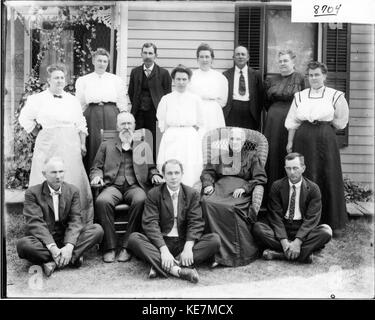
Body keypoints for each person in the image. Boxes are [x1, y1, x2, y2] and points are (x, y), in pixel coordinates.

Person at [19, 64, 94, 225]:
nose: (59, 81)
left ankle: (74, 221)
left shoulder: (72, 100)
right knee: (45, 175)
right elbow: (24, 118)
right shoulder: (38, 99)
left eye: (62, 77)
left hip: (70, 142)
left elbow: (81, 123)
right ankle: (44, 220)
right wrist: (37, 133)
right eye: (56, 78)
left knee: (72, 177)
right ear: (49, 80)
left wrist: (82, 144)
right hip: (48, 142)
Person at [128, 159, 221, 283]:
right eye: (169, 173)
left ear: (182, 174)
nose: (173, 177)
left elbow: (196, 221)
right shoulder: (153, 194)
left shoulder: (192, 194)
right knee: (134, 239)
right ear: (164, 175)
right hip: (162, 241)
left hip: (183, 241)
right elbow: (151, 223)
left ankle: (160, 265)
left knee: (214, 240)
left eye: (177, 173)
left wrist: (188, 247)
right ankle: (179, 270)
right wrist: (164, 250)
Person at [285, 61, 349, 237]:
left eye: (317, 75)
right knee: (306, 176)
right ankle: (304, 222)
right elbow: (293, 122)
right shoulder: (300, 96)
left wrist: (325, 129)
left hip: (325, 137)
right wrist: (290, 143)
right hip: (304, 137)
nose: (313, 78)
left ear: (324, 76)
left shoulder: (334, 95)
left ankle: (331, 222)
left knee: (327, 175)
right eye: (311, 75)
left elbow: (341, 120)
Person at [90, 111, 164, 263]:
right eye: (123, 124)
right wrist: (97, 176)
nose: (126, 127)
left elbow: (151, 168)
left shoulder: (142, 146)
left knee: (141, 199)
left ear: (134, 126)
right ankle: (109, 247)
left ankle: (127, 246)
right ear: (117, 126)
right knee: (102, 201)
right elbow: (96, 167)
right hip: (113, 186)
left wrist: (155, 175)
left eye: (129, 124)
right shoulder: (106, 145)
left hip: (134, 186)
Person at [16, 157, 104, 277]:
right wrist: (52, 247)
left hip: (65, 236)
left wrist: (69, 246)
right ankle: (73, 258)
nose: (58, 176)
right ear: (44, 174)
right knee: (23, 245)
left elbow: (75, 221)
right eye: (53, 172)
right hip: (44, 240)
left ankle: (54, 262)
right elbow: (36, 224)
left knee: (97, 230)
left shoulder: (73, 191)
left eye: (61, 171)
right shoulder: (32, 193)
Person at [200, 128, 267, 267]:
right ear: (228, 141)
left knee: (228, 207)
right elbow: (208, 172)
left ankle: (229, 256)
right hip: (220, 188)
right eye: (232, 139)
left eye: (238, 139)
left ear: (243, 142)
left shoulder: (252, 156)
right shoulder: (221, 156)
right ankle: (214, 252)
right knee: (206, 201)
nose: (235, 142)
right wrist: (207, 184)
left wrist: (245, 188)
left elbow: (260, 178)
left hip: (239, 192)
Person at [253, 153, 332, 263]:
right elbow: (275, 217)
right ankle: (303, 254)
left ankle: (279, 254)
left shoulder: (313, 189)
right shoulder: (277, 186)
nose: (292, 172)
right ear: (285, 169)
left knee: (326, 232)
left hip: (302, 227)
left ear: (303, 168)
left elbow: (312, 219)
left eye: (295, 168)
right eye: (289, 168)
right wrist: (284, 241)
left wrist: (298, 241)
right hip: (283, 226)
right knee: (258, 228)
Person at [75, 48, 128, 172]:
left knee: (111, 143)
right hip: (91, 114)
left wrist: (124, 116)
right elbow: (80, 103)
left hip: (111, 113)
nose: (102, 64)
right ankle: (93, 175)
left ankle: (110, 174)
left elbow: (121, 100)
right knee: (94, 144)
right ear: (93, 61)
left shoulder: (115, 80)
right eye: (99, 60)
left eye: (105, 61)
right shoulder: (84, 80)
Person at [156, 65, 204, 187]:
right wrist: (170, 132)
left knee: (189, 165)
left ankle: (189, 192)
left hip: (189, 136)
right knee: (172, 163)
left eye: (184, 79)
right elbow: (161, 118)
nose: (181, 82)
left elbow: (200, 120)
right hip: (172, 135)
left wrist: (190, 132)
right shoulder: (166, 99)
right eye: (178, 79)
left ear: (188, 80)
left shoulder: (195, 99)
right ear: (173, 80)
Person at [264, 50, 305, 188]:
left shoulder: (300, 78)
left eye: (285, 60)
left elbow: (304, 101)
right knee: (273, 153)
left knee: (289, 152)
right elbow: (266, 102)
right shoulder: (272, 80)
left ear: (293, 62)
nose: (282, 63)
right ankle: (272, 191)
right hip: (273, 122)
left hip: (292, 121)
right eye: (280, 61)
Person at [128, 43, 172, 159]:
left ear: (155, 55)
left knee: (154, 143)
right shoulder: (135, 72)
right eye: (145, 53)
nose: (148, 56)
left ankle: (153, 172)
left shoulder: (163, 73)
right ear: (141, 54)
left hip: (155, 115)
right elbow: (131, 92)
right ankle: (139, 169)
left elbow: (167, 95)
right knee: (139, 142)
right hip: (139, 114)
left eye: (150, 53)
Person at [189, 43, 227, 134]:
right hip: (196, 113)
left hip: (214, 114)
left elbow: (223, 100)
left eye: (207, 56)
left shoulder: (220, 77)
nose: (204, 60)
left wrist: (211, 106)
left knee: (214, 140)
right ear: (197, 59)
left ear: (212, 59)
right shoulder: (191, 76)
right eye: (201, 57)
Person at [223, 46, 264, 131]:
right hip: (232, 110)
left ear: (248, 57)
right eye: (237, 54)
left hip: (250, 111)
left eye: (243, 54)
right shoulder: (226, 75)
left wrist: (256, 112)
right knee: (232, 139)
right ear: (233, 58)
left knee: (249, 140)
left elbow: (260, 96)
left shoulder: (256, 75)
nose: (240, 56)